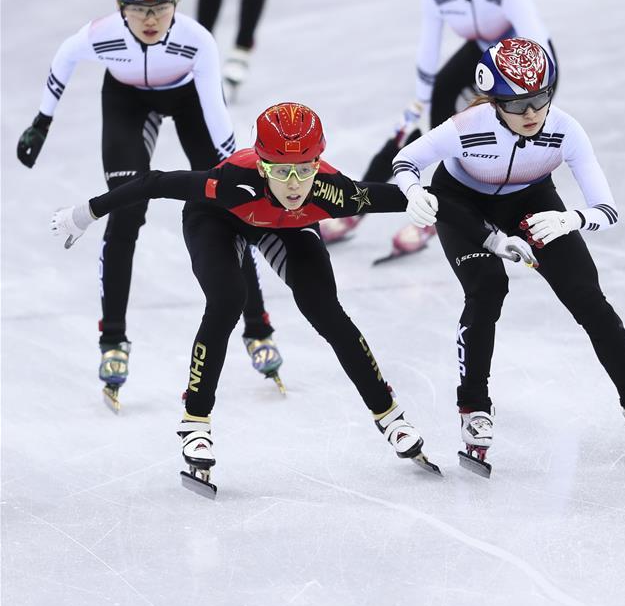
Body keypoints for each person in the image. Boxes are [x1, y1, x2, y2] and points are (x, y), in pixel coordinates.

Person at [51, 102, 444, 495]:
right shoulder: (230, 181)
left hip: (289, 227)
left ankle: (390, 416)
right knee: (227, 300)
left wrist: (429, 201)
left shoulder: (332, 191)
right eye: (281, 171)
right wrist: (86, 213)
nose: (294, 183)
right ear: (262, 165)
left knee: (325, 310)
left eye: (305, 169)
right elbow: (154, 183)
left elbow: (404, 197)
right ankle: (195, 422)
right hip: (216, 219)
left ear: (317, 163)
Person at [390, 37, 625, 474]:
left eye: (540, 98)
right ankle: (474, 408)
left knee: (588, 298)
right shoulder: (466, 126)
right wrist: (414, 191)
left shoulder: (566, 129)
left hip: (532, 203)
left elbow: (607, 208)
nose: (531, 113)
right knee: (487, 289)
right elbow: (405, 161)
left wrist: (572, 218)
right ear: (494, 102)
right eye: (517, 104)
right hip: (461, 203)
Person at [17, 0, 282, 410]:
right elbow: (64, 58)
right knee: (125, 209)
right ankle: (113, 339)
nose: (151, 19)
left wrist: (234, 165)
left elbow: (216, 111)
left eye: (160, 7)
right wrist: (42, 121)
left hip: (188, 100)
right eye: (139, 9)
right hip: (127, 102)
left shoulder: (197, 42)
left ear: (176, 3)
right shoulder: (101, 36)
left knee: (230, 209)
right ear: (121, 7)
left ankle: (257, 325)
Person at [321, 0, 557, 258]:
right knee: (418, 132)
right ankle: (356, 206)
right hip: (483, 51)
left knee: (477, 141)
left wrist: (516, 103)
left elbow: (536, 46)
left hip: (528, 70)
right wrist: (418, 101)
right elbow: (428, 51)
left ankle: (440, 215)